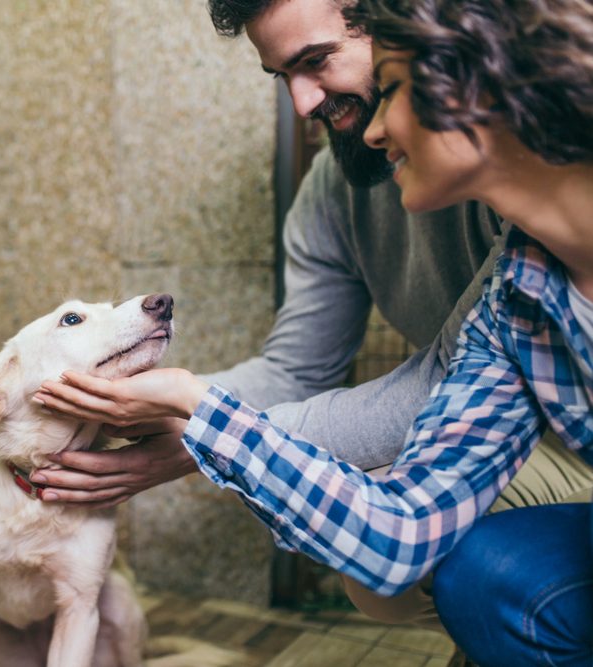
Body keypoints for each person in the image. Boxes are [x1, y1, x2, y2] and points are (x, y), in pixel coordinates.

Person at [33, 0, 593, 664]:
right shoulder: (517, 299)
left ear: (471, 75)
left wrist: (203, 428)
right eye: (283, 76)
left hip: (558, 455)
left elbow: (433, 381)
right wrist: (197, 412)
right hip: (506, 445)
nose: (374, 126)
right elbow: (398, 530)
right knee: (474, 570)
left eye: (391, 84)